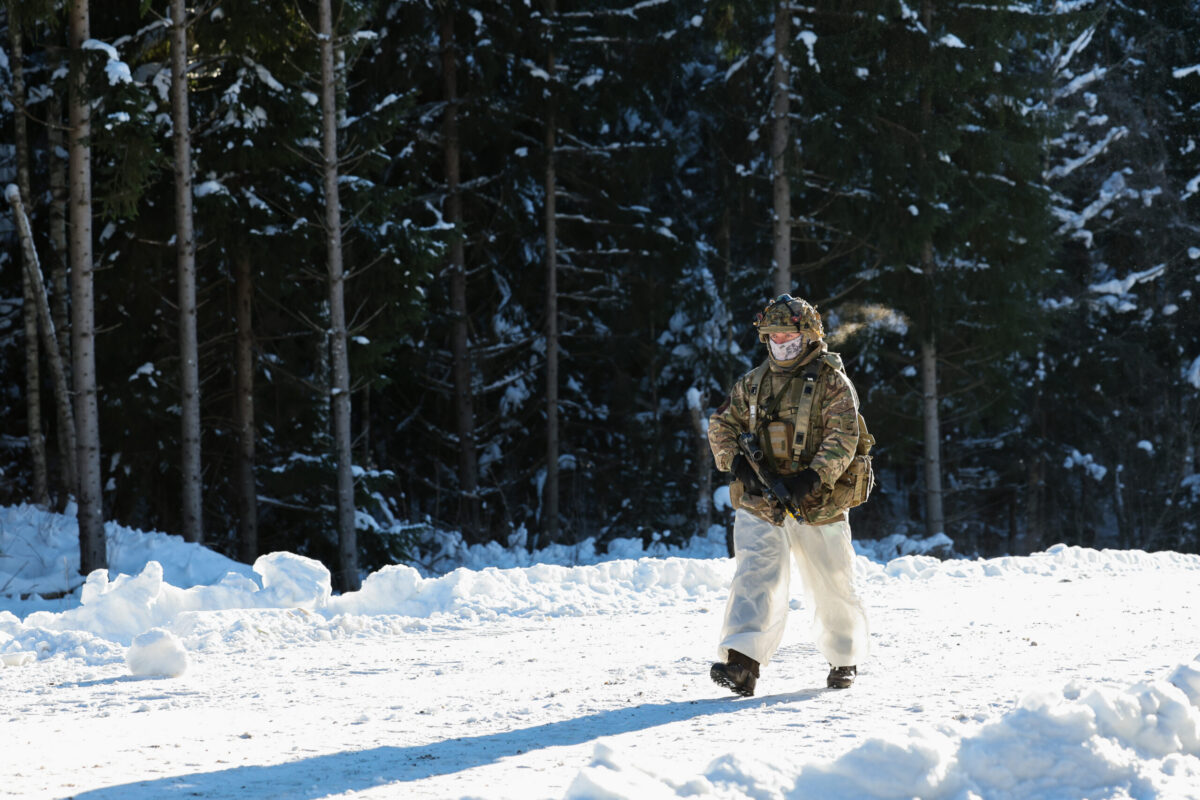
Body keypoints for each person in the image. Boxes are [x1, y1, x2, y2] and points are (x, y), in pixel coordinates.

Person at [707, 293, 870, 696]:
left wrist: (812, 479)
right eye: (773, 337)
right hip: (761, 500)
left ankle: (843, 656)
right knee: (755, 574)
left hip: (818, 501)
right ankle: (742, 663)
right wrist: (737, 464)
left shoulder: (833, 382)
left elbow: (844, 436)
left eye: (789, 338)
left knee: (832, 580)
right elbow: (721, 425)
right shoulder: (753, 383)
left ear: (810, 337)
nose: (781, 345)